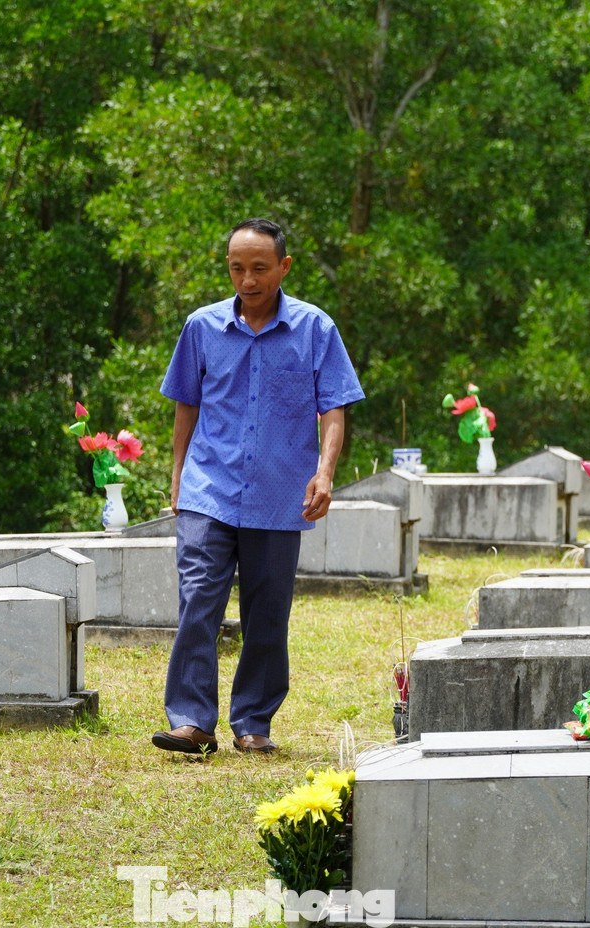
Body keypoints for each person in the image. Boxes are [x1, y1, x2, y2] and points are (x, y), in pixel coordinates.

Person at [152, 218, 364, 756]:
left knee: (268, 611)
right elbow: (186, 404)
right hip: (208, 486)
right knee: (199, 596)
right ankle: (193, 722)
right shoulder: (201, 327)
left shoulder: (316, 329)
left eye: (259, 268)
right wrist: (177, 474)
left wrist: (325, 471)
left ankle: (253, 721)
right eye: (236, 268)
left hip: (279, 491)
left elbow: (334, 408)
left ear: (284, 267)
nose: (247, 279)